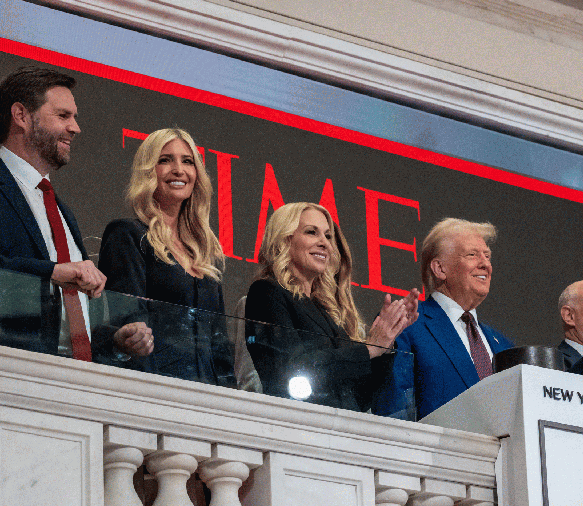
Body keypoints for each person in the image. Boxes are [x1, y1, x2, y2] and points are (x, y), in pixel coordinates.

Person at [0, 66, 151, 360]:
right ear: (21, 115)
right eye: (62, 115)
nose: (75, 128)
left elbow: (65, 320)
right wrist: (52, 272)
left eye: (74, 117)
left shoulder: (60, 210)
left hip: (72, 381)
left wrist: (113, 340)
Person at [244, 202, 419, 411]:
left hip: (341, 430)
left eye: (328, 236)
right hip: (297, 424)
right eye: (311, 232)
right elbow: (290, 369)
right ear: (284, 239)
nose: (324, 243)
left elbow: (359, 397)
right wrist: (368, 348)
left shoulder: (328, 311)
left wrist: (384, 345)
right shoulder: (267, 292)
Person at [98, 128, 233, 386]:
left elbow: (220, 348)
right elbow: (130, 324)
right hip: (154, 392)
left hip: (209, 401)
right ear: (149, 171)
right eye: (165, 160)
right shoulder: (129, 235)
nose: (178, 169)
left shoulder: (206, 256)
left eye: (187, 161)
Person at [374, 218, 513, 420]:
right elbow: (394, 412)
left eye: (487, 256)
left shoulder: (504, 346)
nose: (485, 264)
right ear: (440, 269)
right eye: (472, 255)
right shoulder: (407, 324)